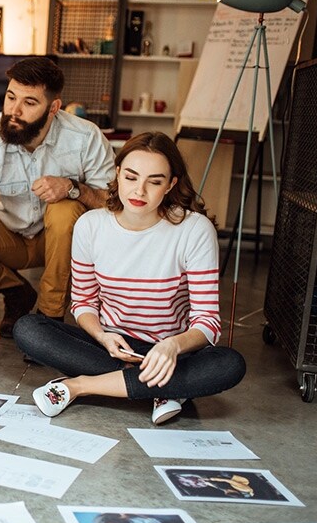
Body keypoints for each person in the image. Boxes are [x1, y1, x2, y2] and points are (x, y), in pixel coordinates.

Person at [14, 132, 246, 425]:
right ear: (118, 174)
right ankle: (163, 389)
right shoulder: (91, 225)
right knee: (29, 330)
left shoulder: (194, 230)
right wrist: (101, 335)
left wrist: (172, 347)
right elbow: (84, 303)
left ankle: (79, 386)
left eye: (155, 181)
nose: (140, 191)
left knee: (229, 364)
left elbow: (207, 320)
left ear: (171, 184)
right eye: (132, 177)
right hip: (109, 346)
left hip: (170, 351)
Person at [0, 56, 115, 347]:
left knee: (64, 209)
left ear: (54, 108)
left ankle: (49, 321)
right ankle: (17, 292)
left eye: (30, 103)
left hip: (65, 242)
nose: (14, 111)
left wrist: (73, 188)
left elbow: (113, 205)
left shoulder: (86, 138)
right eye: (11, 97)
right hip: (15, 235)